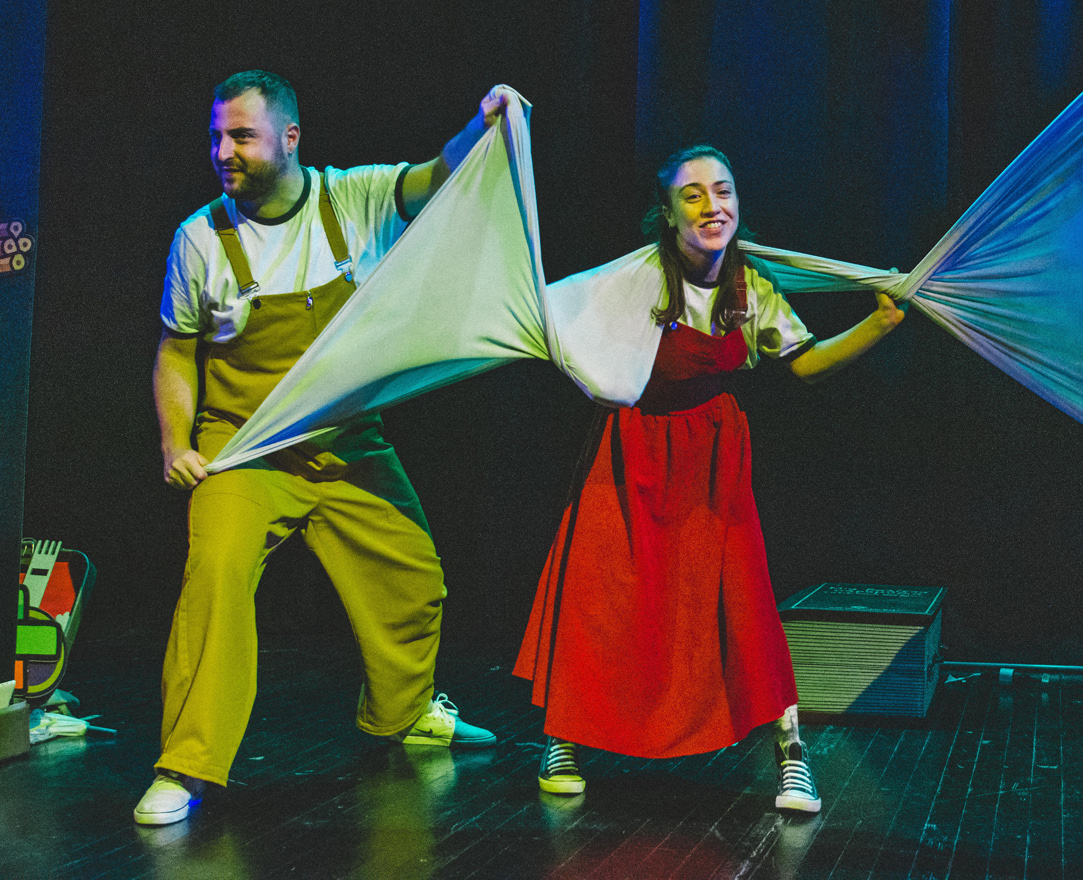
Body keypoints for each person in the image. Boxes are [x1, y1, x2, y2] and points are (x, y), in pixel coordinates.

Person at [136, 71, 516, 826]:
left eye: (241, 136)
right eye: (216, 137)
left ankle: (404, 714)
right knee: (216, 576)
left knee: (414, 576)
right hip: (244, 448)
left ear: (290, 138)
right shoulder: (200, 238)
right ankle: (186, 764)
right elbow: (177, 351)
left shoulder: (352, 198)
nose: (223, 152)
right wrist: (176, 443)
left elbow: (437, 176)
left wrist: (485, 125)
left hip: (346, 444)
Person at [513, 145, 905, 812]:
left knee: (743, 599)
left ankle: (790, 752)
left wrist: (880, 323)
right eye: (691, 195)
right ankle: (563, 737)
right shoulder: (635, 279)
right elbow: (560, 324)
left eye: (722, 191)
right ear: (667, 214)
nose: (711, 206)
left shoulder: (752, 286)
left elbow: (806, 364)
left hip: (712, 458)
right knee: (599, 592)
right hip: (632, 449)